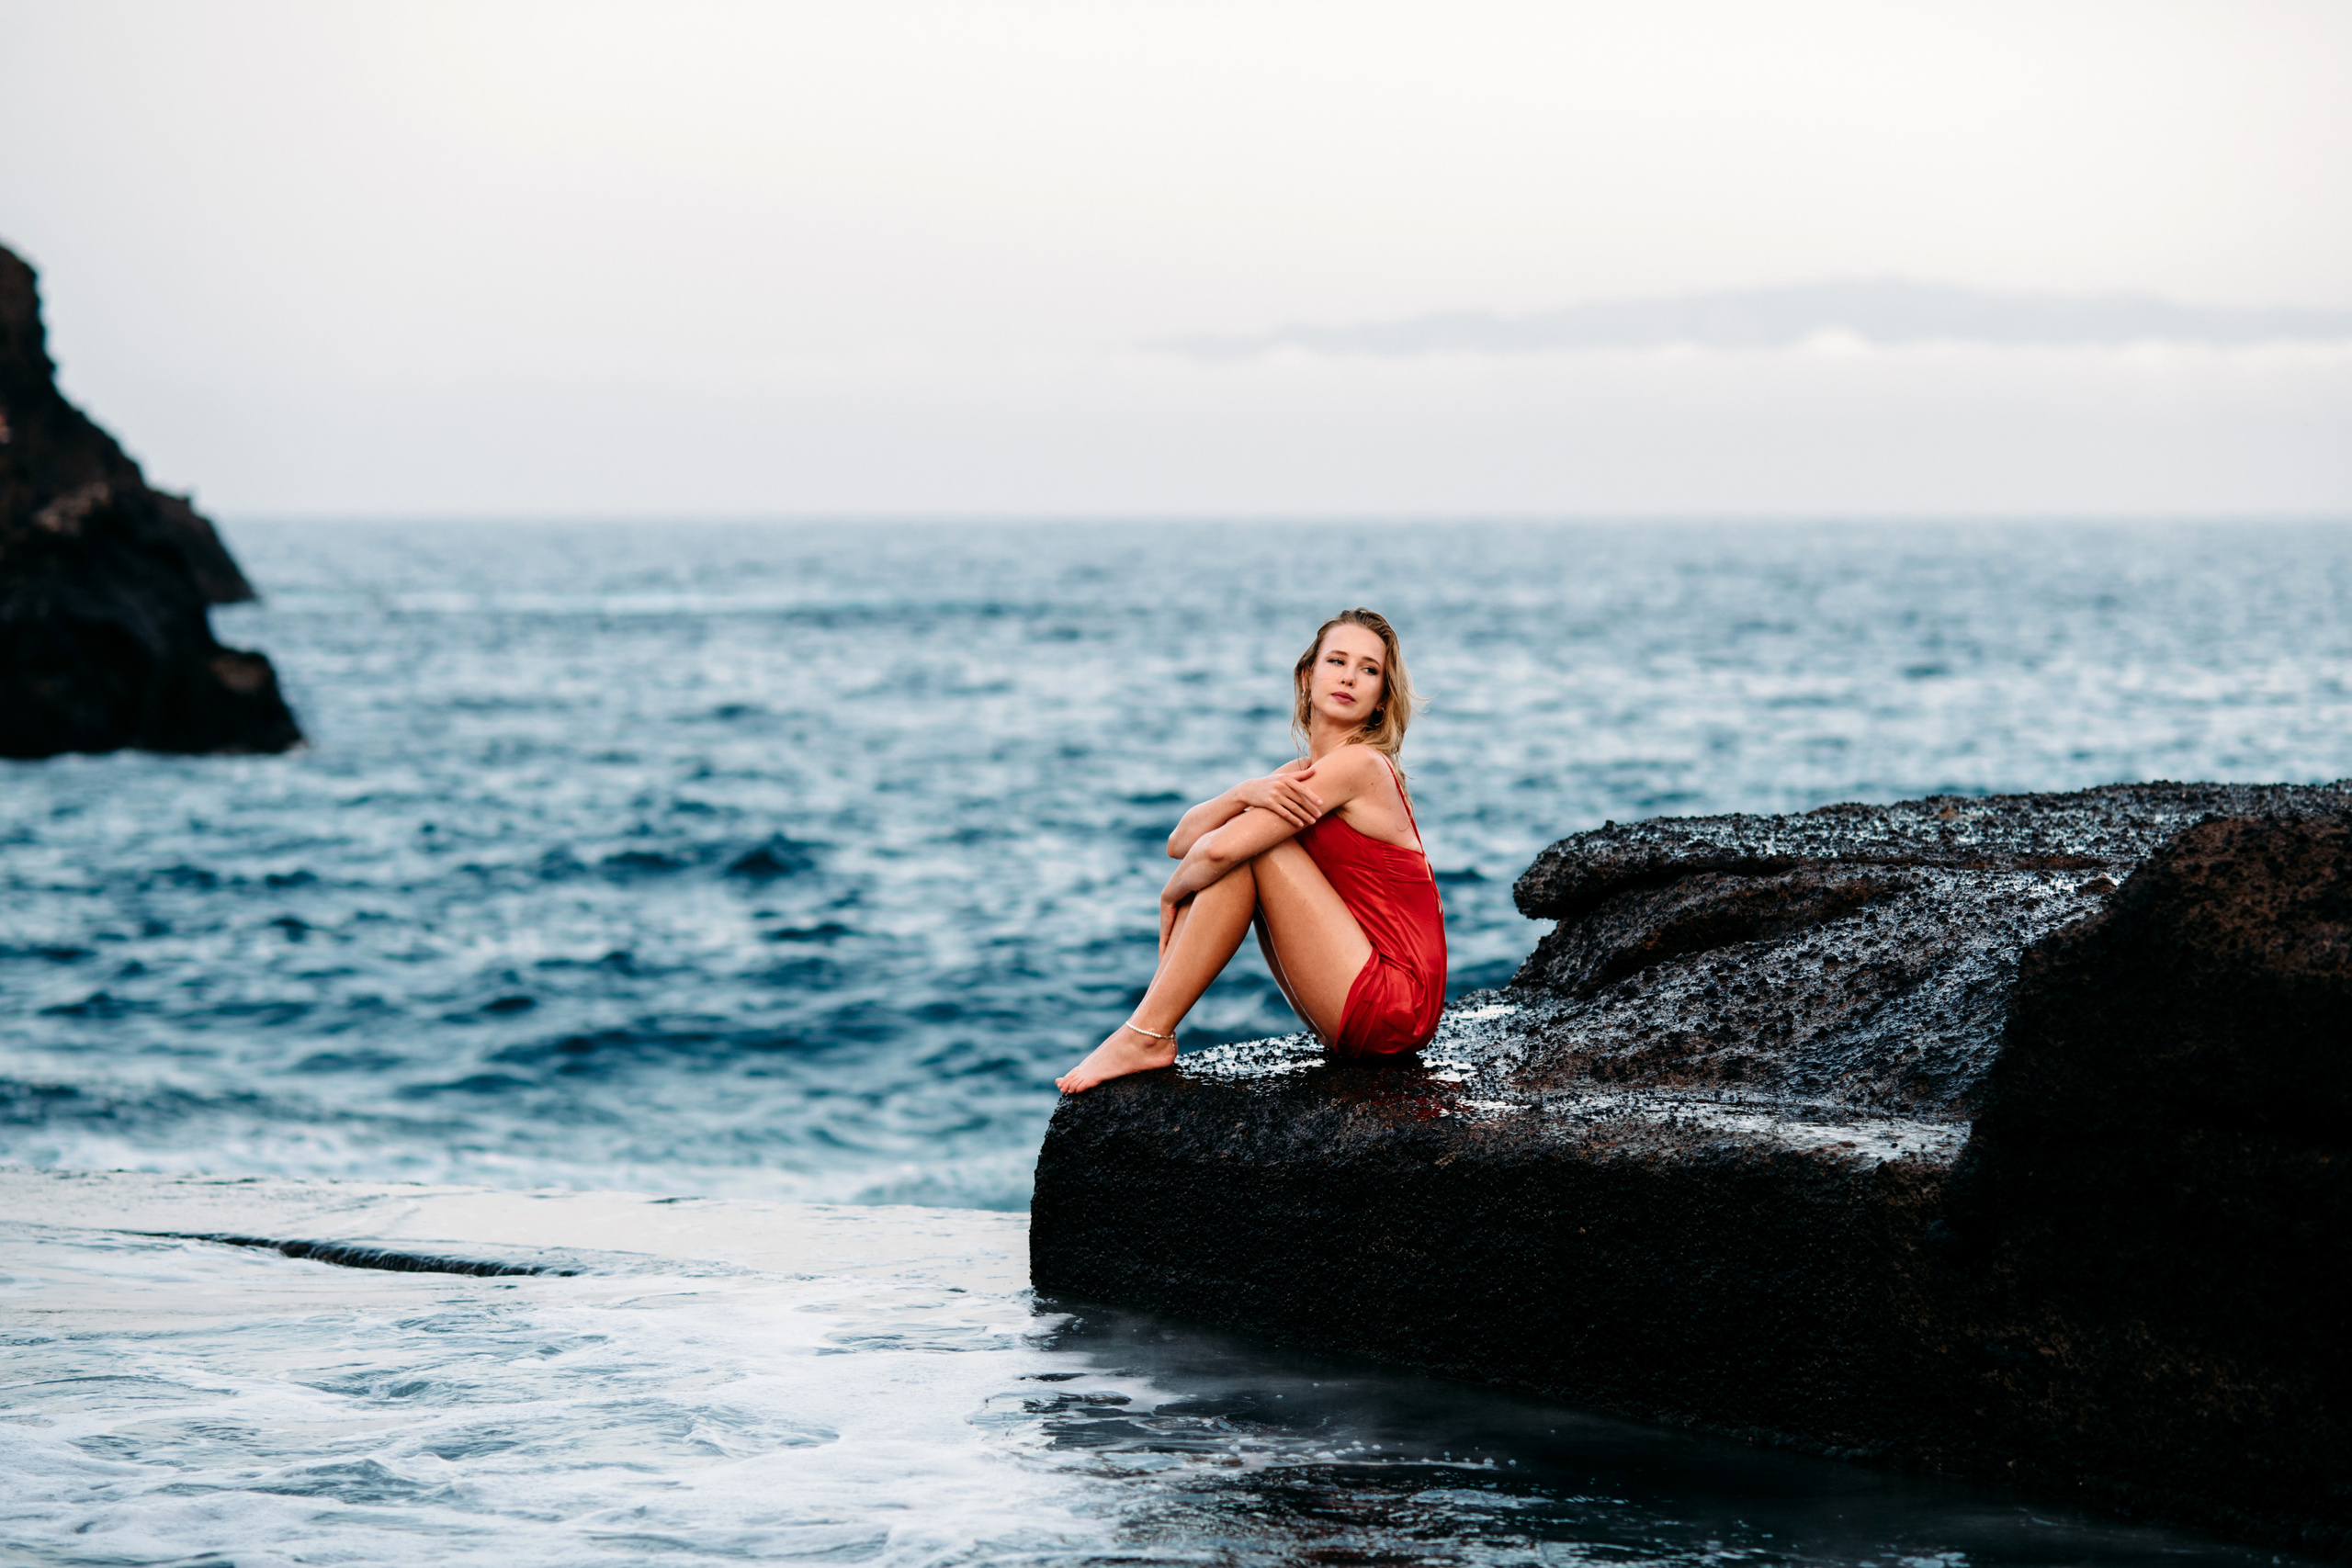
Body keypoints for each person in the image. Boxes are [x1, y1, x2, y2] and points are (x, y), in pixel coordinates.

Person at [1055, 607, 1447, 1094]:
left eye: (1369, 670)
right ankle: (1147, 1033)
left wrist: (1170, 895)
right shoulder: (1303, 772)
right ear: (1307, 677)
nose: (1349, 676)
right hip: (1359, 1006)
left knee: (1256, 850)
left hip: (1394, 1004)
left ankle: (1147, 1034)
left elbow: (1217, 853)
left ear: (1382, 699)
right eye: (1337, 661)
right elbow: (1180, 842)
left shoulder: (1359, 765)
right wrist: (1243, 792)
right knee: (1250, 839)